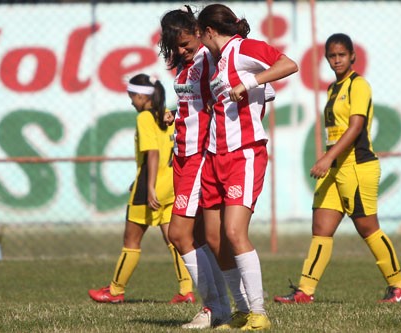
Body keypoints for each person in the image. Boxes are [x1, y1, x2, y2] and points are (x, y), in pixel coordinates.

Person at [274, 33, 401, 304]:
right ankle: (305, 291)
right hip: (335, 167)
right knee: (321, 227)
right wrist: (330, 160)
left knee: (367, 227)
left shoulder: (358, 85)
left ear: (352, 57)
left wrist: (326, 158)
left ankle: (400, 287)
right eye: (332, 56)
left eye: (341, 55)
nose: (336, 60)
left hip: (357, 165)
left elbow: (356, 127)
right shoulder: (333, 88)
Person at [197, 3, 298, 331]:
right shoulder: (215, 61)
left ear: (210, 31)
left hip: (243, 154)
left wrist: (251, 82)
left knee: (234, 232)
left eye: (201, 35)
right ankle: (241, 311)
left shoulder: (243, 49)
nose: (200, 41)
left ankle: (259, 312)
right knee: (215, 238)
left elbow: (288, 64)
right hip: (214, 155)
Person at [159, 6, 251, 329]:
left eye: (186, 43)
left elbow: (239, 83)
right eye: (176, 47)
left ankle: (215, 306)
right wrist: (173, 113)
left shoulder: (210, 57)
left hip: (200, 154)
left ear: (198, 33)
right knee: (199, 235)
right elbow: (194, 102)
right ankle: (222, 307)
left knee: (178, 232)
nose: (183, 51)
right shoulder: (183, 69)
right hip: (181, 154)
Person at [88, 74, 195, 304]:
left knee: (131, 241)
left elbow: (153, 153)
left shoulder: (146, 118)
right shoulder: (167, 114)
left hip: (150, 189)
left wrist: (148, 188)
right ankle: (186, 291)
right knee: (173, 240)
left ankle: (115, 291)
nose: (131, 102)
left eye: (132, 97)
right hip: (169, 186)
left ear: (141, 96)